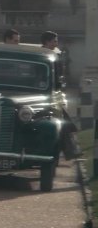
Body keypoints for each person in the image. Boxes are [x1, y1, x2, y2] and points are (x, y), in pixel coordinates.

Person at [40, 31, 82, 159]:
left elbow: (60, 77)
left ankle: (69, 150)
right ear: (47, 42)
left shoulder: (56, 55)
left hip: (55, 95)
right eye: (54, 41)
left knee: (64, 123)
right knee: (63, 123)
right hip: (45, 94)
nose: (56, 43)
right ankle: (70, 150)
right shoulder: (41, 55)